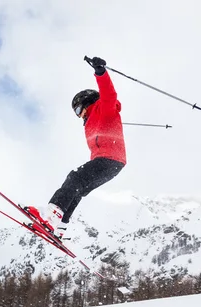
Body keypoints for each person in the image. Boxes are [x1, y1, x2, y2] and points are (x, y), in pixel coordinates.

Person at [26, 56, 126, 239]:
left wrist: (100, 73)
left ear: (88, 102)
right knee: (77, 187)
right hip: (110, 163)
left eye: (79, 111)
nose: (80, 116)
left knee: (75, 178)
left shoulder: (103, 108)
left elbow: (109, 95)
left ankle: (51, 216)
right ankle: (61, 225)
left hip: (109, 159)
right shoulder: (91, 122)